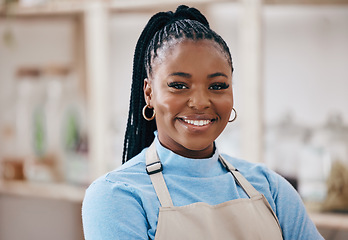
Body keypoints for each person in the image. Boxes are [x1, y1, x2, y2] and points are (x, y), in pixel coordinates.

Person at [82, 5, 323, 240]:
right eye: (178, 85)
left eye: (217, 86)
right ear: (149, 93)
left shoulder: (269, 186)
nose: (200, 102)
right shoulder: (117, 195)